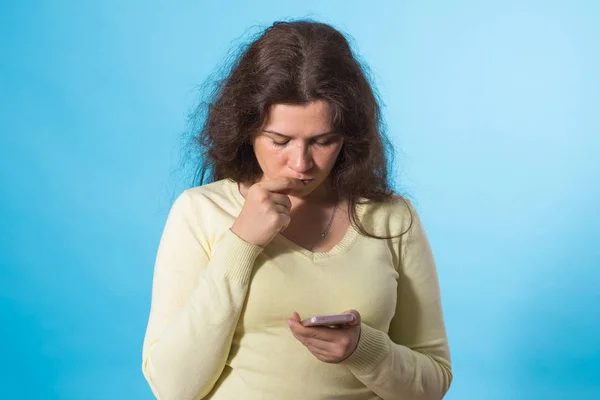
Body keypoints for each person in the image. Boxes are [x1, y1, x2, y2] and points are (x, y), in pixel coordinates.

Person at [141, 19, 452, 400]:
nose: (301, 163)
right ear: (246, 131)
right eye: (279, 140)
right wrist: (240, 242)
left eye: (322, 141)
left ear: (348, 139)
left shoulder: (392, 218)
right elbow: (173, 389)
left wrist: (364, 350)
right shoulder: (200, 212)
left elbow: (434, 382)